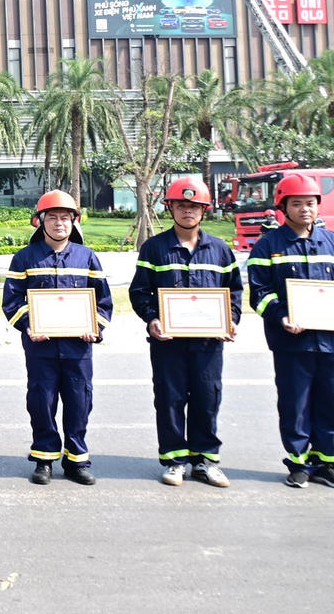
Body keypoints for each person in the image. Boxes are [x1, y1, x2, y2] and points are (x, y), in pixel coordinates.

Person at [129, 177, 241, 488]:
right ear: (171, 208)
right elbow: (140, 292)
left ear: (204, 210)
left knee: (207, 399)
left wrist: (230, 320)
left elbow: (233, 292)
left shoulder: (220, 250)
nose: (187, 211)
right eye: (181, 205)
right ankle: (175, 460)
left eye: (193, 206)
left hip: (208, 343)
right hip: (168, 343)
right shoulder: (154, 248)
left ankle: (205, 461)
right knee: (169, 399)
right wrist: (152, 319)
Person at [2, 190, 112, 486]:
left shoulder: (87, 257)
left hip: (78, 347)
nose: (59, 223)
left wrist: (96, 328)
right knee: (41, 400)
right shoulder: (25, 257)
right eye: (53, 217)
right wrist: (29, 325)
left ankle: (77, 461)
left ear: (74, 221)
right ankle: (44, 458)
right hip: (41, 347)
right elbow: (11, 301)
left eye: (65, 217)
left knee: (79, 401)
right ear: (40, 221)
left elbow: (103, 302)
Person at [247, 172, 334, 488]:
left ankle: (326, 462)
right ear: (284, 207)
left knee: (330, 402)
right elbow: (259, 291)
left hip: (330, 341)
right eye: (297, 204)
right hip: (290, 342)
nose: (305, 209)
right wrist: (281, 316)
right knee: (294, 404)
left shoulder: (332, 242)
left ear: (318, 205)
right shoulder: (269, 246)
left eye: (310, 203)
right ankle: (297, 463)